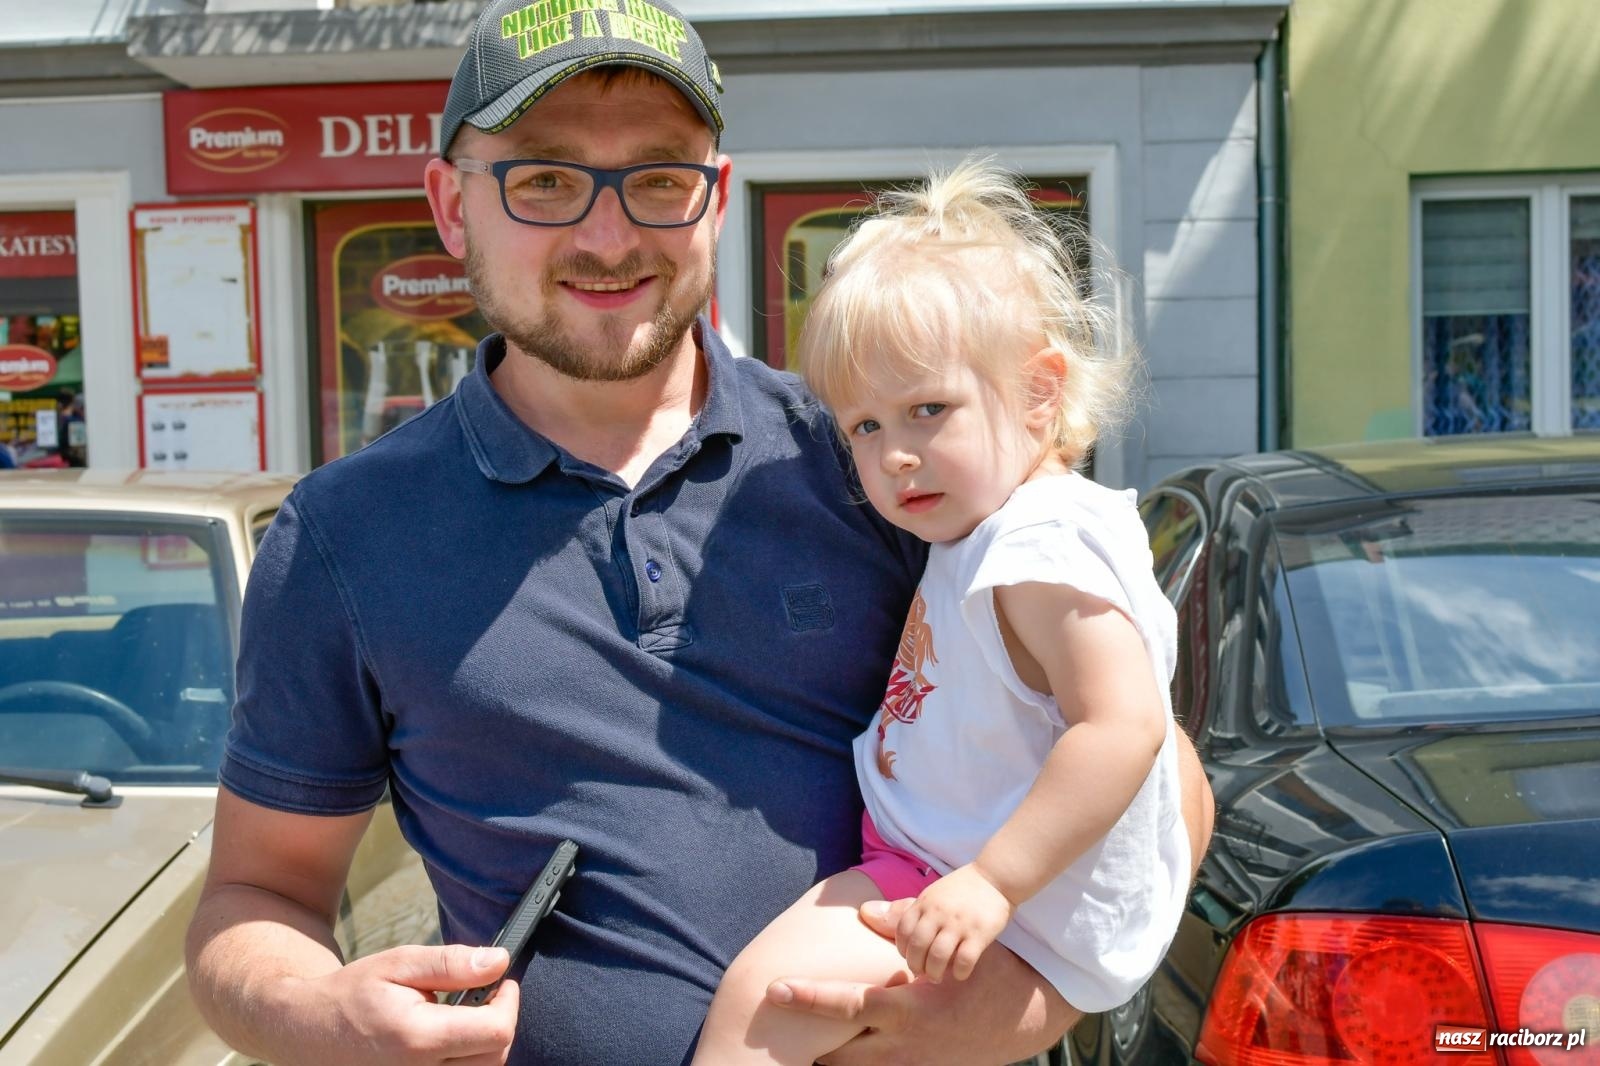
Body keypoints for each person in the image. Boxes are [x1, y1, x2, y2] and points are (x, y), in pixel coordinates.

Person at [184, 3, 1215, 1063]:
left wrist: (1017, 1009)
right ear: (453, 206)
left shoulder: (877, 457)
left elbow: (1156, 770)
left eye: (658, 178)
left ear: (714, 199)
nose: (608, 236)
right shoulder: (347, 535)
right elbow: (256, 895)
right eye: (546, 179)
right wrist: (322, 1015)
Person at [692, 162, 1187, 1064]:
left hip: (981, 893)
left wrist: (993, 883)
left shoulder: (1040, 545)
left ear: (1039, 392)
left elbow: (1124, 727)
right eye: (865, 426)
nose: (895, 456)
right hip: (941, 870)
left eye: (928, 409)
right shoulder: (991, 524)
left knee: (759, 1011)